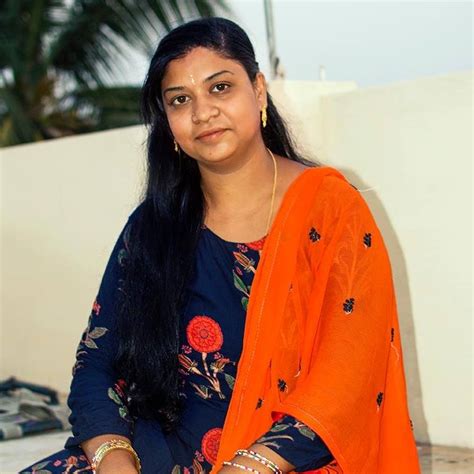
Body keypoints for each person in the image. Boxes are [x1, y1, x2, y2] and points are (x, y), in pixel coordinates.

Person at [20, 17, 420, 474]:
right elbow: (96, 362)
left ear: (259, 91)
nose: (202, 112)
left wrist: (248, 465)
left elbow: (348, 377)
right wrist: (113, 456)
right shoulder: (153, 226)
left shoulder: (331, 211)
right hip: (158, 451)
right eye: (180, 99)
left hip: (286, 461)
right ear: (167, 121)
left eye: (220, 88)